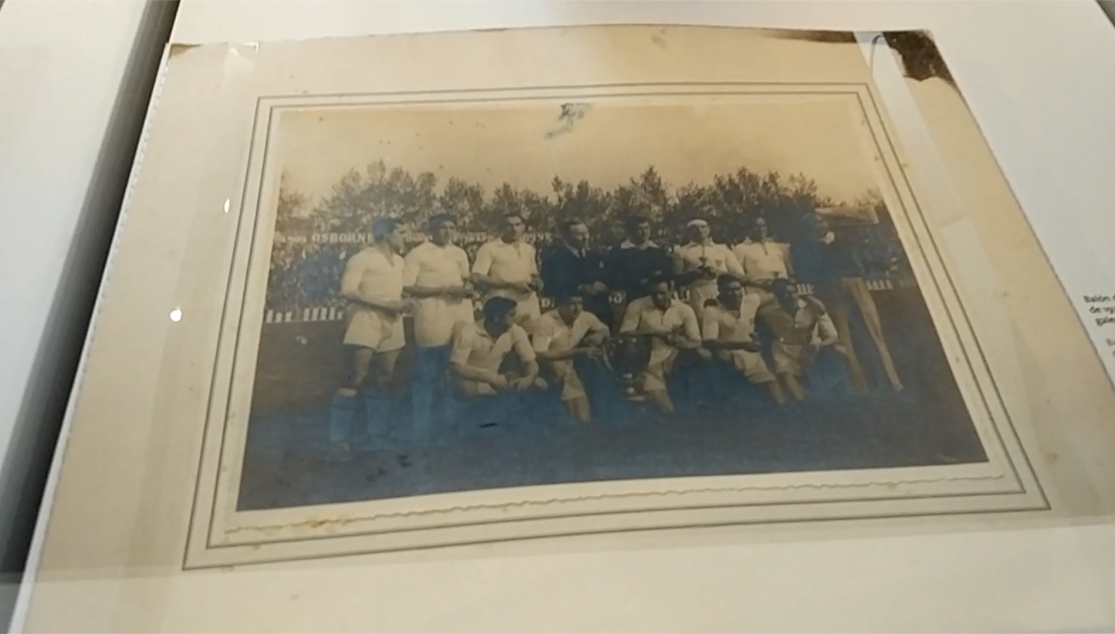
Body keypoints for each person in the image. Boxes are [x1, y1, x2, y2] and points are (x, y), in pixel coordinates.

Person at [328, 218, 411, 461]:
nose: (405, 237)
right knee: (355, 378)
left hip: (393, 322)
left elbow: (392, 290)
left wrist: (402, 302)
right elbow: (348, 291)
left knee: (384, 379)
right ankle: (338, 440)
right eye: (402, 231)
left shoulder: (400, 261)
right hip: (365, 320)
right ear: (386, 234)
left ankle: (376, 437)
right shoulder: (362, 258)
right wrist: (385, 304)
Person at [791, 211, 903, 392]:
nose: (817, 225)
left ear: (826, 223)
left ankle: (891, 381)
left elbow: (859, 262)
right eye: (812, 224)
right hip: (829, 288)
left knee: (873, 333)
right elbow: (806, 271)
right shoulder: (806, 248)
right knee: (843, 338)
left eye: (820, 221)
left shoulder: (843, 240)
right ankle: (859, 385)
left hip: (854, 284)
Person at [402, 212, 475, 444]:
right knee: (428, 374)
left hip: (460, 314)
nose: (447, 232)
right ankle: (421, 429)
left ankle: (450, 425)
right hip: (432, 317)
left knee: (455, 370)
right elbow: (408, 287)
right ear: (431, 230)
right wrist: (443, 290)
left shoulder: (459, 253)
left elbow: (467, 279)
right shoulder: (417, 254)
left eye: (452, 227)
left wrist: (467, 288)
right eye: (442, 228)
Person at [449, 296, 545, 432]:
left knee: (539, 383)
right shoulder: (468, 332)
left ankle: (529, 431)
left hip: (496, 380)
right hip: (471, 381)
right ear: (495, 317)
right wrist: (489, 378)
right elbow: (455, 368)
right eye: (511, 315)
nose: (515, 318)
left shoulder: (516, 331)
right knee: (468, 388)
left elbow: (531, 362)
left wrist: (528, 378)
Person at [619, 274, 702, 414]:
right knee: (667, 409)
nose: (658, 298)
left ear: (671, 290)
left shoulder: (684, 309)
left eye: (662, 293)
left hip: (674, 361)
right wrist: (652, 333)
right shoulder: (637, 305)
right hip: (647, 362)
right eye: (654, 294)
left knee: (701, 355)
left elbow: (697, 341)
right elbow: (624, 334)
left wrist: (683, 343)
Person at [701, 275, 786, 405]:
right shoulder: (711, 310)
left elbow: (777, 293)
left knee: (778, 397)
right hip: (728, 359)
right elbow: (709, 341)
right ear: (720, 291)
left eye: (738, 289)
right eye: (730, 290)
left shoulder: (750, 300)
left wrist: (753, 282)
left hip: (753, 357)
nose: (735, 294)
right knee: (745, 404)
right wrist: (743, 344)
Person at [757, 278, 842, 402]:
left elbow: (833, 335)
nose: (790, 296)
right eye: (784, 293)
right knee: (789, 380)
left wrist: (818, 346)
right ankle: (802, 404)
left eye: (793, 292)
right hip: (784, 351)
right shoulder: (767, 312)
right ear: (776, 296)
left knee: (821, 386)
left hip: (812, 349)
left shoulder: (812, 307)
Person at [532, 291, 610, 423]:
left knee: (584, 419)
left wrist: (599, 336)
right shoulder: (546, 321)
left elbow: (605, 330)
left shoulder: (586, 317)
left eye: (580, 303)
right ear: (560, 305)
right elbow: (540, 354)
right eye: (571, 304)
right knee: (560, 424)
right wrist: (577, 353)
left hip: (569, 374)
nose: (577, 308)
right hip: (546, 375)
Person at [472, 213, 543, 334]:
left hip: (528, 306)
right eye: (508, 225)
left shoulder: (528, 249)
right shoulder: (489, 248)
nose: (514, 229)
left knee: (529, 343)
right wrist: (511, 284)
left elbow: (533, 274)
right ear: (501, 228)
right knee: (502, 344)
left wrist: (538, 282)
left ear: (523, 227)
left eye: (517, 225)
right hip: (502, 307)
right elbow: (477, 277)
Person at [540, 219, 611, 326]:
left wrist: (603, 285)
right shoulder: (555, 258)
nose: (585, 237)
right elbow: (551, 285)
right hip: (571, 314)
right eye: (579, 234)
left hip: (599, 310)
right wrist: (581, 288)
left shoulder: (595, 256)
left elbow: (607, 276)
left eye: (586, 233)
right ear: (567, 237)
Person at [604, 214, 673, 323]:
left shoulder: (657, 252)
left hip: (653, 297)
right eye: (640, 229)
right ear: (630, 232)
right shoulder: (618, 252)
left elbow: (666, 274)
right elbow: (612, 276)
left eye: (646, 228)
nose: (644, 232)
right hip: (628, 296)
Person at [673, 218, 745, 317]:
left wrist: (720, 273)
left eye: (703, 227)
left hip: (721, 291)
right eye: (695, 228)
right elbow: (676, 279)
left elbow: (740, 275)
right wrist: (694, 274)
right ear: (689, 232)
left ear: (709, 229)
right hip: (697, 293)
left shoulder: (722, 249)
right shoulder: (681, 251)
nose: (699, 231)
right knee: (703, 321)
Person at [733, 216, 792, 305]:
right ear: (749, 229)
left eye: (763, 226)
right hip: (758, 291)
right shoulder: (741, 248)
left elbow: (788, 270)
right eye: (756, 226)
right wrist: (761, 283)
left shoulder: (777, 247)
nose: (761, 229)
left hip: (783, 291)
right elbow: (737, 275)